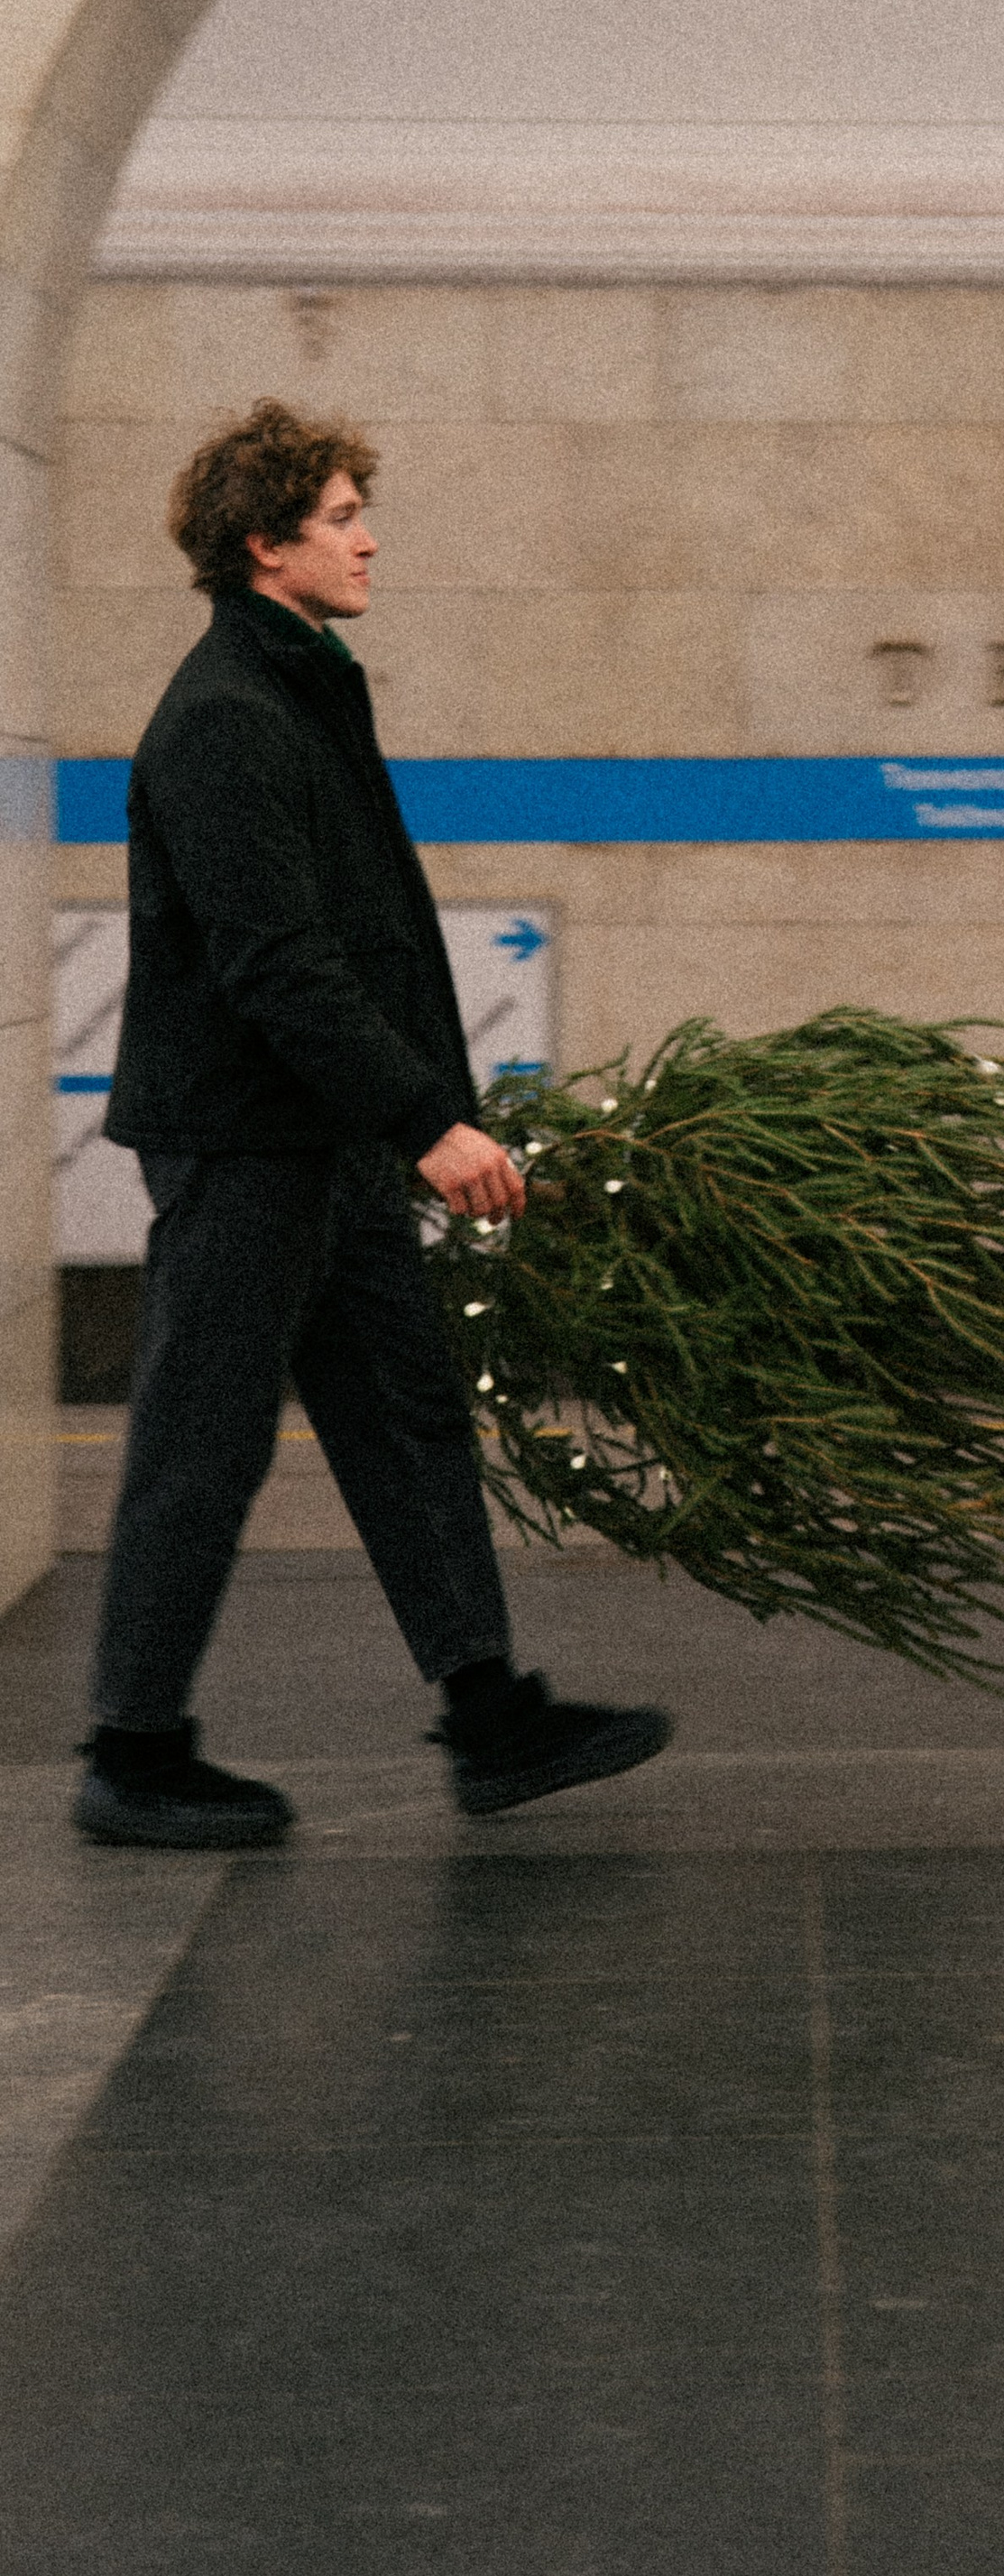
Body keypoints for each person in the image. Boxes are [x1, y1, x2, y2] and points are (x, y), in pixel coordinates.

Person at [74, 399, 672, 1849]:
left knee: (404, 1418)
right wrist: (427, 1124)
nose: (369, 537)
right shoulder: (224, 717)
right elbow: (279, 965)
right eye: (342, 516)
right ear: (265, 542)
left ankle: (491, 1716)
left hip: (323, 1140)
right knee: (201, 1441)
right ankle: (131, 1751)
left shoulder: (302, 687)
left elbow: (364, 937)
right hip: (246, 1143)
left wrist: (419, 1115)